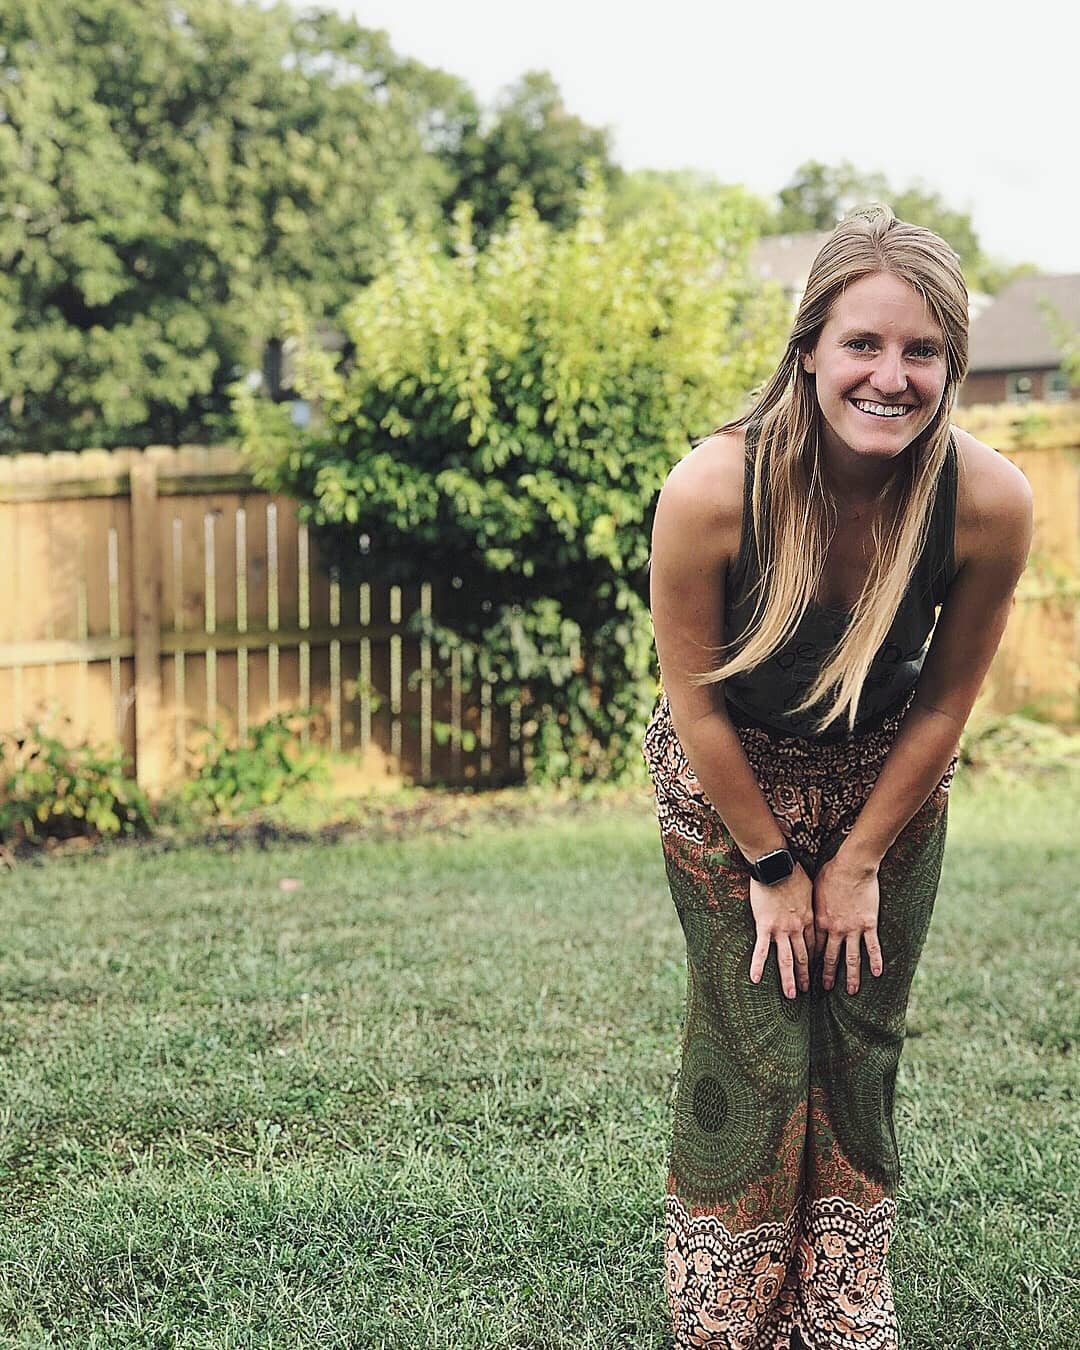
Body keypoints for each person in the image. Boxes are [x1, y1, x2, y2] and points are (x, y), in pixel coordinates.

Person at [641, 203, 1032, 1350]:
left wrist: (854, 861)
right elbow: (695, 704)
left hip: (886, 778)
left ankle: (844, 1299)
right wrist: (772, 864)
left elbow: (947, 701)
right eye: (864, 343)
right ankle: (727, 1311)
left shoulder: (989, 499)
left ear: (954, 364)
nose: (891, 377)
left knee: (862, 1031)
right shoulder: (714, 489)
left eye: (923, 351)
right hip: (730, 777)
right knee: (757, 1031)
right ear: (808, 347)